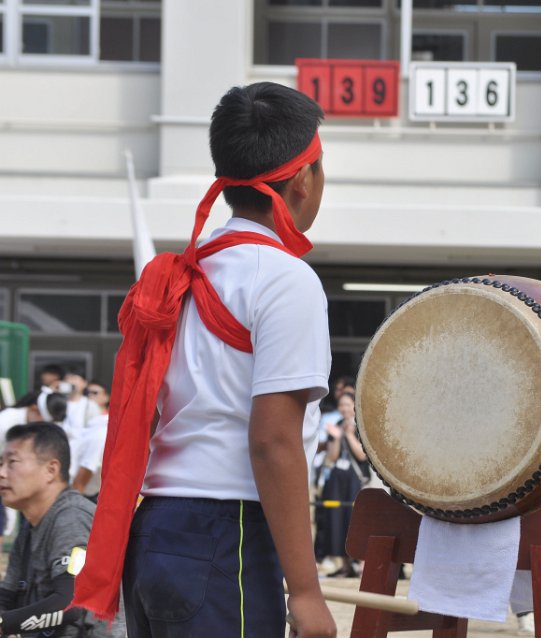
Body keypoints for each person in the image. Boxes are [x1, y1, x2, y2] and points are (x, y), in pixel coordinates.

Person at [72, 82, 337, 638]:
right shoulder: (286, 280)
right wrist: (306, 591)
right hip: (228, 531)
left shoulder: (188, 272)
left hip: (157, 528)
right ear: (303, 179)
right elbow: (273, 441)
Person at [0, 422, 108, 637]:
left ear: (51, 470)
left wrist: (5, 624)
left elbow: (71, 603)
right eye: (1, 463)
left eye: (12, 463)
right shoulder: (30, 526)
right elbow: (6, 597)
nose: (2, 473)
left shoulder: (71, 516)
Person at [315, 392, 367, 576]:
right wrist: (336, 437)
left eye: (348, 404)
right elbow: (332, 457)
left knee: (356, 519)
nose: (344, 408)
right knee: (338, 518)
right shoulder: (336, 425)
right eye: (341, 405)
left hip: (355, 479)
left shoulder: (362, 425)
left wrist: (349, 435)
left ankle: (361, 563)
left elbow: (362, 455)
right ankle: (344, 564)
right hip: (338, 478)